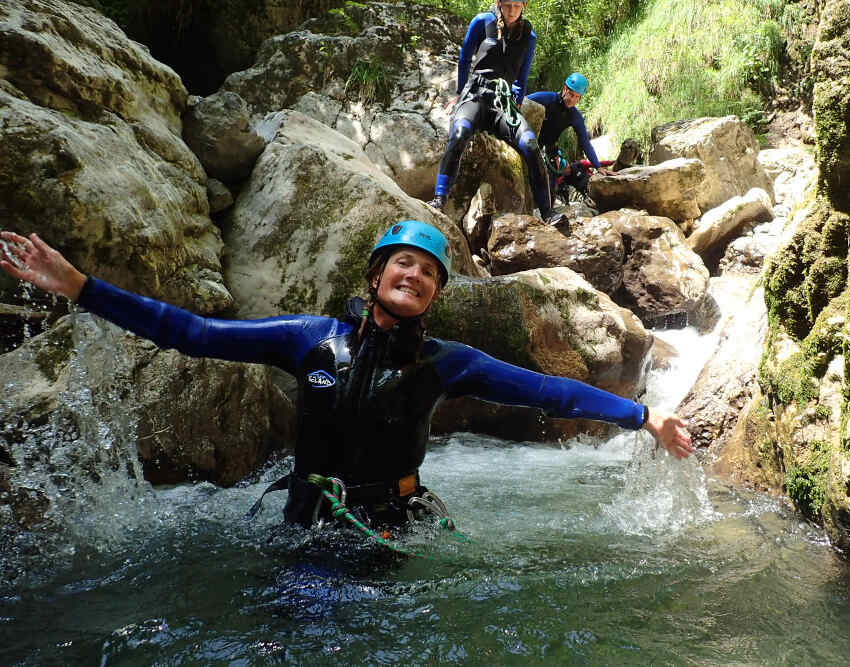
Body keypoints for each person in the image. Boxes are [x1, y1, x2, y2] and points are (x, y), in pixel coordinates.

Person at [0, 223, 692, 532]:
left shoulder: (446, 361)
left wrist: (644, 416)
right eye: (403, 264)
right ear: (375, 275)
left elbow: (548, 391)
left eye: (428, 273)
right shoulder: (310, 340)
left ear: (434, 295)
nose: (415, 274)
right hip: (304, 515)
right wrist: (83, 288)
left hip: (388, 523)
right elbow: (194, 333)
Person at [428, 0, 568, 227]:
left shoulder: (529, 37)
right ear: (499, 3)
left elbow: (522, 76)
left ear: (525, 5)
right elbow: (465, 58)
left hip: (502, 102)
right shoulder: (482, 22)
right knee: (460, 132)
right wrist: (460, 93)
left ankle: (548, 212)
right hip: (476, 94)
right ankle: (439, 199)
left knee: (531, 144)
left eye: (517, 5)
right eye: (508, 4)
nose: (512, 11)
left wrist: (518, 102)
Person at [526, 72, 610, 204]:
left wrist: (597, 166)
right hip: (530, 142)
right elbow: (521, 103)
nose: (572, 99)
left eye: (577, 97)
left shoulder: (574, 116)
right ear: (564, 88)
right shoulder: (546, 98)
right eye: (571, 94)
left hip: (550, 151)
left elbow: (585, 142)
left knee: (549, 191)